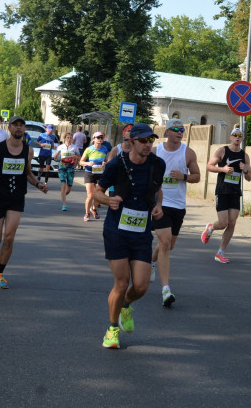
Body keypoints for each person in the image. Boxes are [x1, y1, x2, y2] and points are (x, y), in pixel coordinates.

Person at [91, 122, 165, 349]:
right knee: (122, 282)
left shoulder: (158, 164)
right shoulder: (116, 164)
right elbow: (97, 192)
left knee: (141, 286)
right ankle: (112, 329)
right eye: (143, 140)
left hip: (141, 231)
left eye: (150, 140)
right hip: (116, 230)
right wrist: (108, 200)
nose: (147, 144)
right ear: (131, 141)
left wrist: (158, 205)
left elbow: (157, 189)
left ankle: (124, 305)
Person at [0, 115, 48, 289]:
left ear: (24, 129)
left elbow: (27, 173)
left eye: (21, 125)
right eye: (15, 125)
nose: (18, 128)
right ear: (9, 128)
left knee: (9, 238)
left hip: (16, 197)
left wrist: (38, 184)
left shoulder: (28, 150)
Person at [150, 119, 200, 306]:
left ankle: (151, 260)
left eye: (182, 129)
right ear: (167, 132)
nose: (180, 132)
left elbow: (197, 177)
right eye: (176, 129)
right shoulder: (156, 151)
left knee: (169, 244)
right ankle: (166, 290)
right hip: (159, 203)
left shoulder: (188, 152)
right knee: (164, 242)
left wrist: (184, 176)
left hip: (178, 205)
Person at [201, 127, 251, 263]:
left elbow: (249, 178)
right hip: (222, 190)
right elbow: (209, 166)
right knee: (223, 223)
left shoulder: (244, 156)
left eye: (239, 135)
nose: (237, 137)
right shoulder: (222, 151)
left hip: (235, 192)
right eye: (234, 135)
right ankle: (211, 227)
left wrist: (246, 170)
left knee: (232, 222)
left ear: (241, 139)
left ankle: (220, 252)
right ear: (230, 137)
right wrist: (222, 169)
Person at [80, 131, 110, 221]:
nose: (100, 139)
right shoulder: (89, 149)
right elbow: (81, 162)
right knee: (90, 195)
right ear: (94, 139)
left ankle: (93, 208)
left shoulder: (105, 149)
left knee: (99, 195)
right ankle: (87, 213)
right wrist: (88, 163)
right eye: (98, 138)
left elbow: (108, 160)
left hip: (100, 174)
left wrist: (105, 163)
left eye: (101, 138)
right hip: (89, 173)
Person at [53, 137, 79, 211]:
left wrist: (76, 157)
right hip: (62, 166)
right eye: (67, 138)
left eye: (70, 138)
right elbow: (56, 156)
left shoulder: (75, 147)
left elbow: (80, 157)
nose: (69, 139)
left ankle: (63, 195)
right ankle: (64, 204)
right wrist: (56, 156)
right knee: (63, 185)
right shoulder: (60, 147)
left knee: (69, 188)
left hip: (70, 168)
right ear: (64, 139)